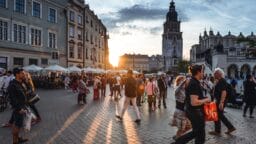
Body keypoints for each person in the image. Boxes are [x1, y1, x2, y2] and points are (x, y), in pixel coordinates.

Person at [173, 65, 211, 144]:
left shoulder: (194, 82)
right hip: (195, 112)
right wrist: (206, 99)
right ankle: (178, 142)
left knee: (200, 134)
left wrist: (203, 98)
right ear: (198, 72)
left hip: (194, 112)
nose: (203, 74)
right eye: (202, 72)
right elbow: (194, 102)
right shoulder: (194, 83)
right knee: (197, 132)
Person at [209, 68, 236, 136]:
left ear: (219, 74)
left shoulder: (222, 81)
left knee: (218, 115)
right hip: (218, 100)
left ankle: (229, 127)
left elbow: (224, 92)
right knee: (218, 115)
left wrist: (221, 102)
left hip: (220, 101)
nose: (213, 74)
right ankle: (220, 130)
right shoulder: (219, 81)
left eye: (215, 73)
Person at [8, 68, 29, 144]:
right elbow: (13, 99)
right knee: (17, 125)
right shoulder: (12, 85)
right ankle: (15, 142)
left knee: (17, 124)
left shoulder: (20, 83)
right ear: (17, 74)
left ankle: (18, 138)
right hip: (19, 108)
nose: (24, 75)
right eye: (22, 73)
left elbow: (26, 91)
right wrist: (19, 108)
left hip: (22, 106)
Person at [170, 75, 191, 140]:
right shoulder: (177, 88)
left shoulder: (185, 89)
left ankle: (178, 135)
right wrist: (183, 82)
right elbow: (177, 89)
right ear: (178, 81)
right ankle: (177, 137)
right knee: (182, 127)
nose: (183, 81)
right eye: (181, 80)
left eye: (183, 80)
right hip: (180, 111)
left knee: (188, 126)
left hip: (185, 110)